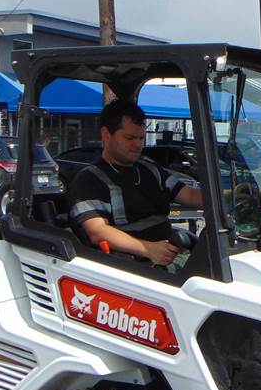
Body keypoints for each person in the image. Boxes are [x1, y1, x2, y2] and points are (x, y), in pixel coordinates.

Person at [69, 99, 203, 267]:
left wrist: (227, 197)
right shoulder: (90, 179)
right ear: (106, 134)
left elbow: (190, 196)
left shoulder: (151, 170)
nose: (138, 144)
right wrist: (148, 249)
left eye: (141, 138)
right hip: (133, 265)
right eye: (130, 138)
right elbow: (98, 231)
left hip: (169, 253)